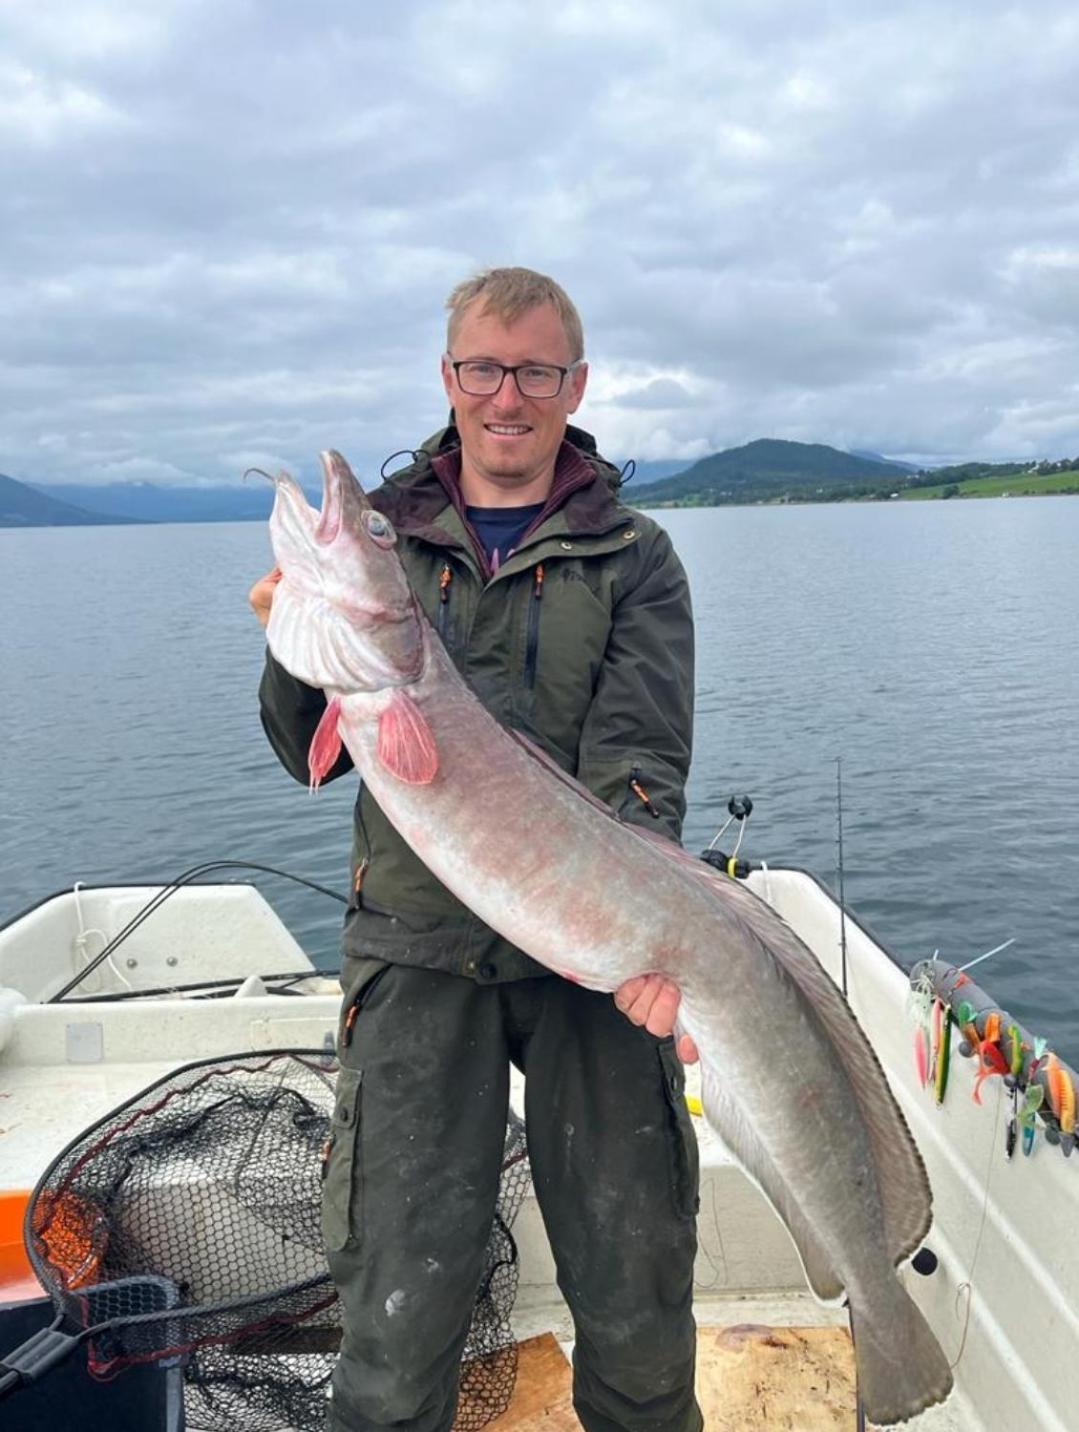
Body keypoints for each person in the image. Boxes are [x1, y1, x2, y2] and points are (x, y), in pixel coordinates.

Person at [249, 267, 702, 1432]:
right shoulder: (388, 543)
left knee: (638, 1311)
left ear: (574, 384)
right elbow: (302, 743)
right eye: (484, 369)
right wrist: (296, 642)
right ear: (449, 379)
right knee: (394, 1329)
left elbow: (638, 773)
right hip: (414, 948)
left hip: (589, 968)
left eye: (535, 370)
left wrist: (638, 936)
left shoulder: (634, 557)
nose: (508, 396)